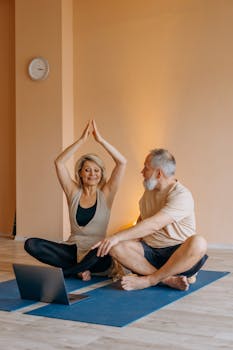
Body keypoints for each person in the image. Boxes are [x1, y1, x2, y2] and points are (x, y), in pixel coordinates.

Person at [24, 120, 127, 280]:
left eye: (96, 170)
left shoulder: (106, 193)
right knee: (31, 244)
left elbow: (122, 162)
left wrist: (100, 141)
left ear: (101, 173)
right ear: (80, 173)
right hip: (73, 250)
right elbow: (59, 162)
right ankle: (79, 269)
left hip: (96, 255)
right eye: (87, 170)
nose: (92, 174)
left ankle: (69, 272)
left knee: (102, 250)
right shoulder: (73, 192)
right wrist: (81, 140)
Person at [93, 148, 208, 291]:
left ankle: (150, 279)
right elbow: (143, 220)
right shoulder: (149, 191)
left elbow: (154, 224)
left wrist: (116, 237)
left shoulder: (181, 195)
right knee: (115, 246)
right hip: (150, 255)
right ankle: (167, 279)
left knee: (199, 243)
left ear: (158, 173)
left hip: (178, 256)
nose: (142, 172)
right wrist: (121, 241)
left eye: (146, 168)